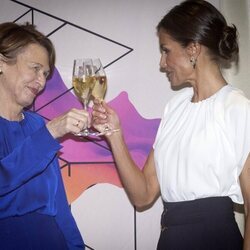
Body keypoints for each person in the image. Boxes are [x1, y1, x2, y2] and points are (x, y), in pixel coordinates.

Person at [92, 1, 250, 249]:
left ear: (193, 49)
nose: (162, 63)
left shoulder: (238, 109)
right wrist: (115, 135)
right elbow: (143, 195)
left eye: (166, 50)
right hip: (170, 240)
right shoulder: (174, 108)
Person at [0, 22, 88, 249]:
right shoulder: (46, 130)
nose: (41, 81)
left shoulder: (38, 125)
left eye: (46, 74)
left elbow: (58, 204)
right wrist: (50, 133)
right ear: (2, 63)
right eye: (35, 68)